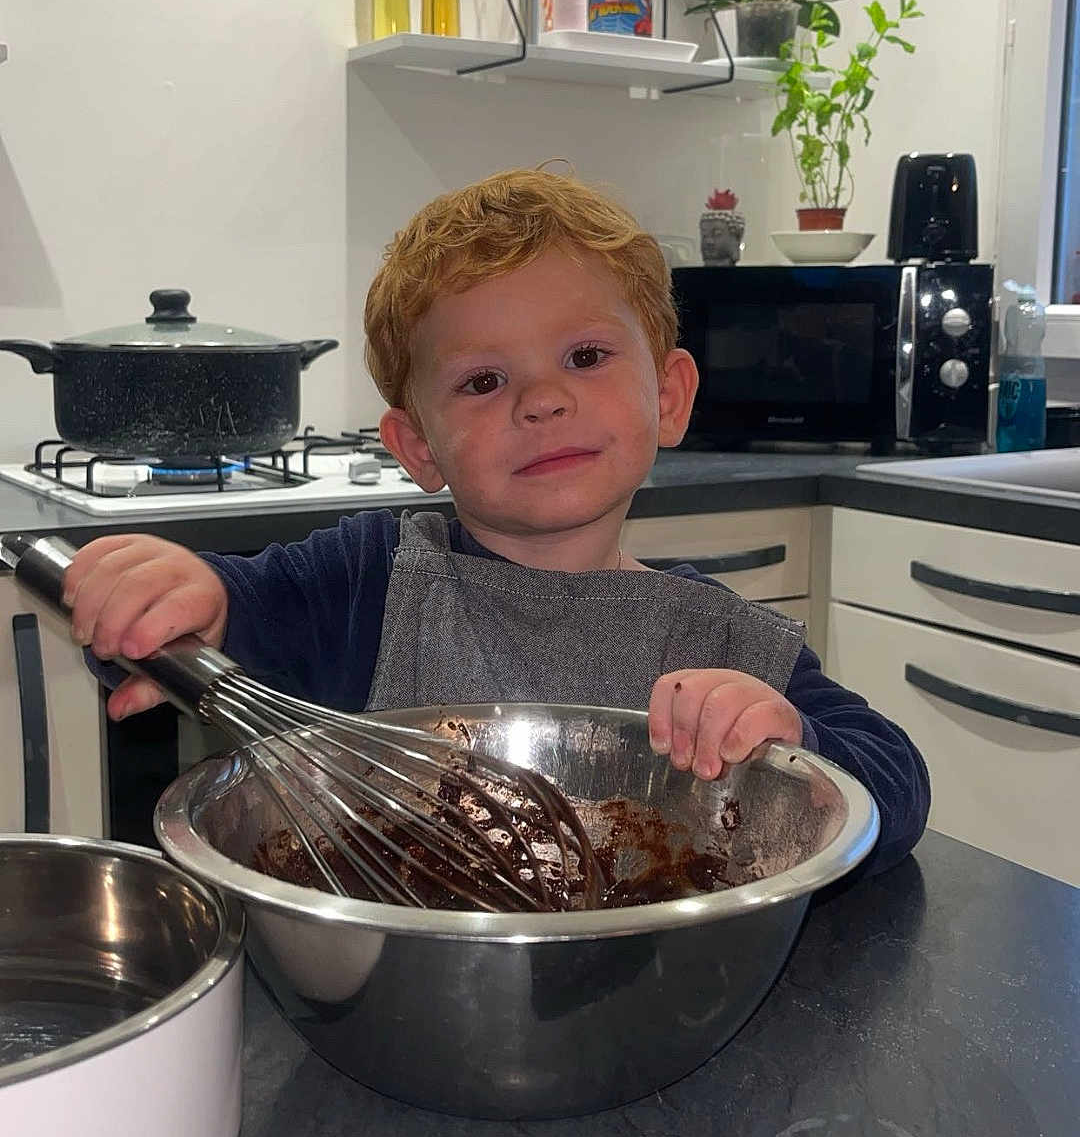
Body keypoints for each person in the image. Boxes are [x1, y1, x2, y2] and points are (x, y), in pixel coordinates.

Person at [65, 168, 929, 871]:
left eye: (585, 357)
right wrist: (183, 600)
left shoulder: (719, 639)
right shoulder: (370, 581)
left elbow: (895, 782)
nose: (544, 400)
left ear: (668, 398)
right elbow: (216, 637)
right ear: (419, 446)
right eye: (483, 381)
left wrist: (792, 742)